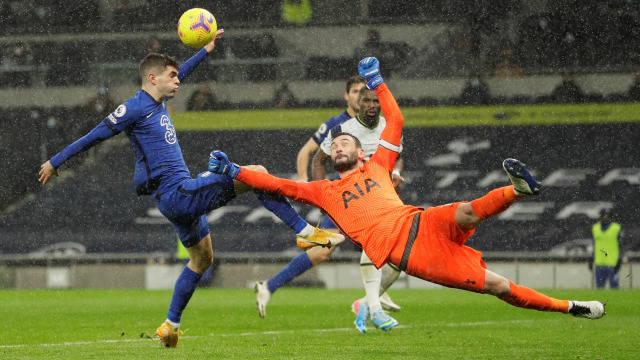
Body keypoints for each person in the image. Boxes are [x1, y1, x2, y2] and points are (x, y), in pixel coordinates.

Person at [209, 57, 606, 323]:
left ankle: (518, 190)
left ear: (359, 151)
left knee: (467, 210)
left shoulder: (377, 164)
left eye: (349, 140)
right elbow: (275, 183)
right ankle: (572, 308)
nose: (344, 142)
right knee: (499, 286)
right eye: (339, 143)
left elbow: (395, 120)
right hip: (416, 254)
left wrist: (379, 83)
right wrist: (234, 169)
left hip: (422, 220)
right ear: (333, 156)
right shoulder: (324, 191)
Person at [37, 30, 342, 348]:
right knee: (257, 174)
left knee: (202, 260)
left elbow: (182, 71)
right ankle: (305, 231)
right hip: (178, 194)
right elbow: (94, 136)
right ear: (153, 78)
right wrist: (55, 161)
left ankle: (170, 325)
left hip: (177, 198)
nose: (179, 80)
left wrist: (206, 51)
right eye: (172, 76)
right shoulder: (133, 108)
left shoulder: (158, 99)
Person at [254, 76, 404, 333]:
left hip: (373, 194)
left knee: (381, 249)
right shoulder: (336, 126)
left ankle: (372, 296)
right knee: (331, 249)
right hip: (345, 197)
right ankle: (372, 298)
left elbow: (397, 154)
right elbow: (308, 154)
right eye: (358, 93)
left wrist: (396, 173)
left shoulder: (382, 125)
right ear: (349, 97)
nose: (364, 98)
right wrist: (309, 187)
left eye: (367, 95)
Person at [591, 208, 625, 289]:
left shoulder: (616, 228)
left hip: (612, 263)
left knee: (614, 288)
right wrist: (591, 259)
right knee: (599, 288)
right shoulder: (595, 228)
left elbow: (621, 246)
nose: (605, 217)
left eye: (607, 215)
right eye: (603, 215)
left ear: (611, 216)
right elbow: (594, 245)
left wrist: (619, 260)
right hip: (599, 263)